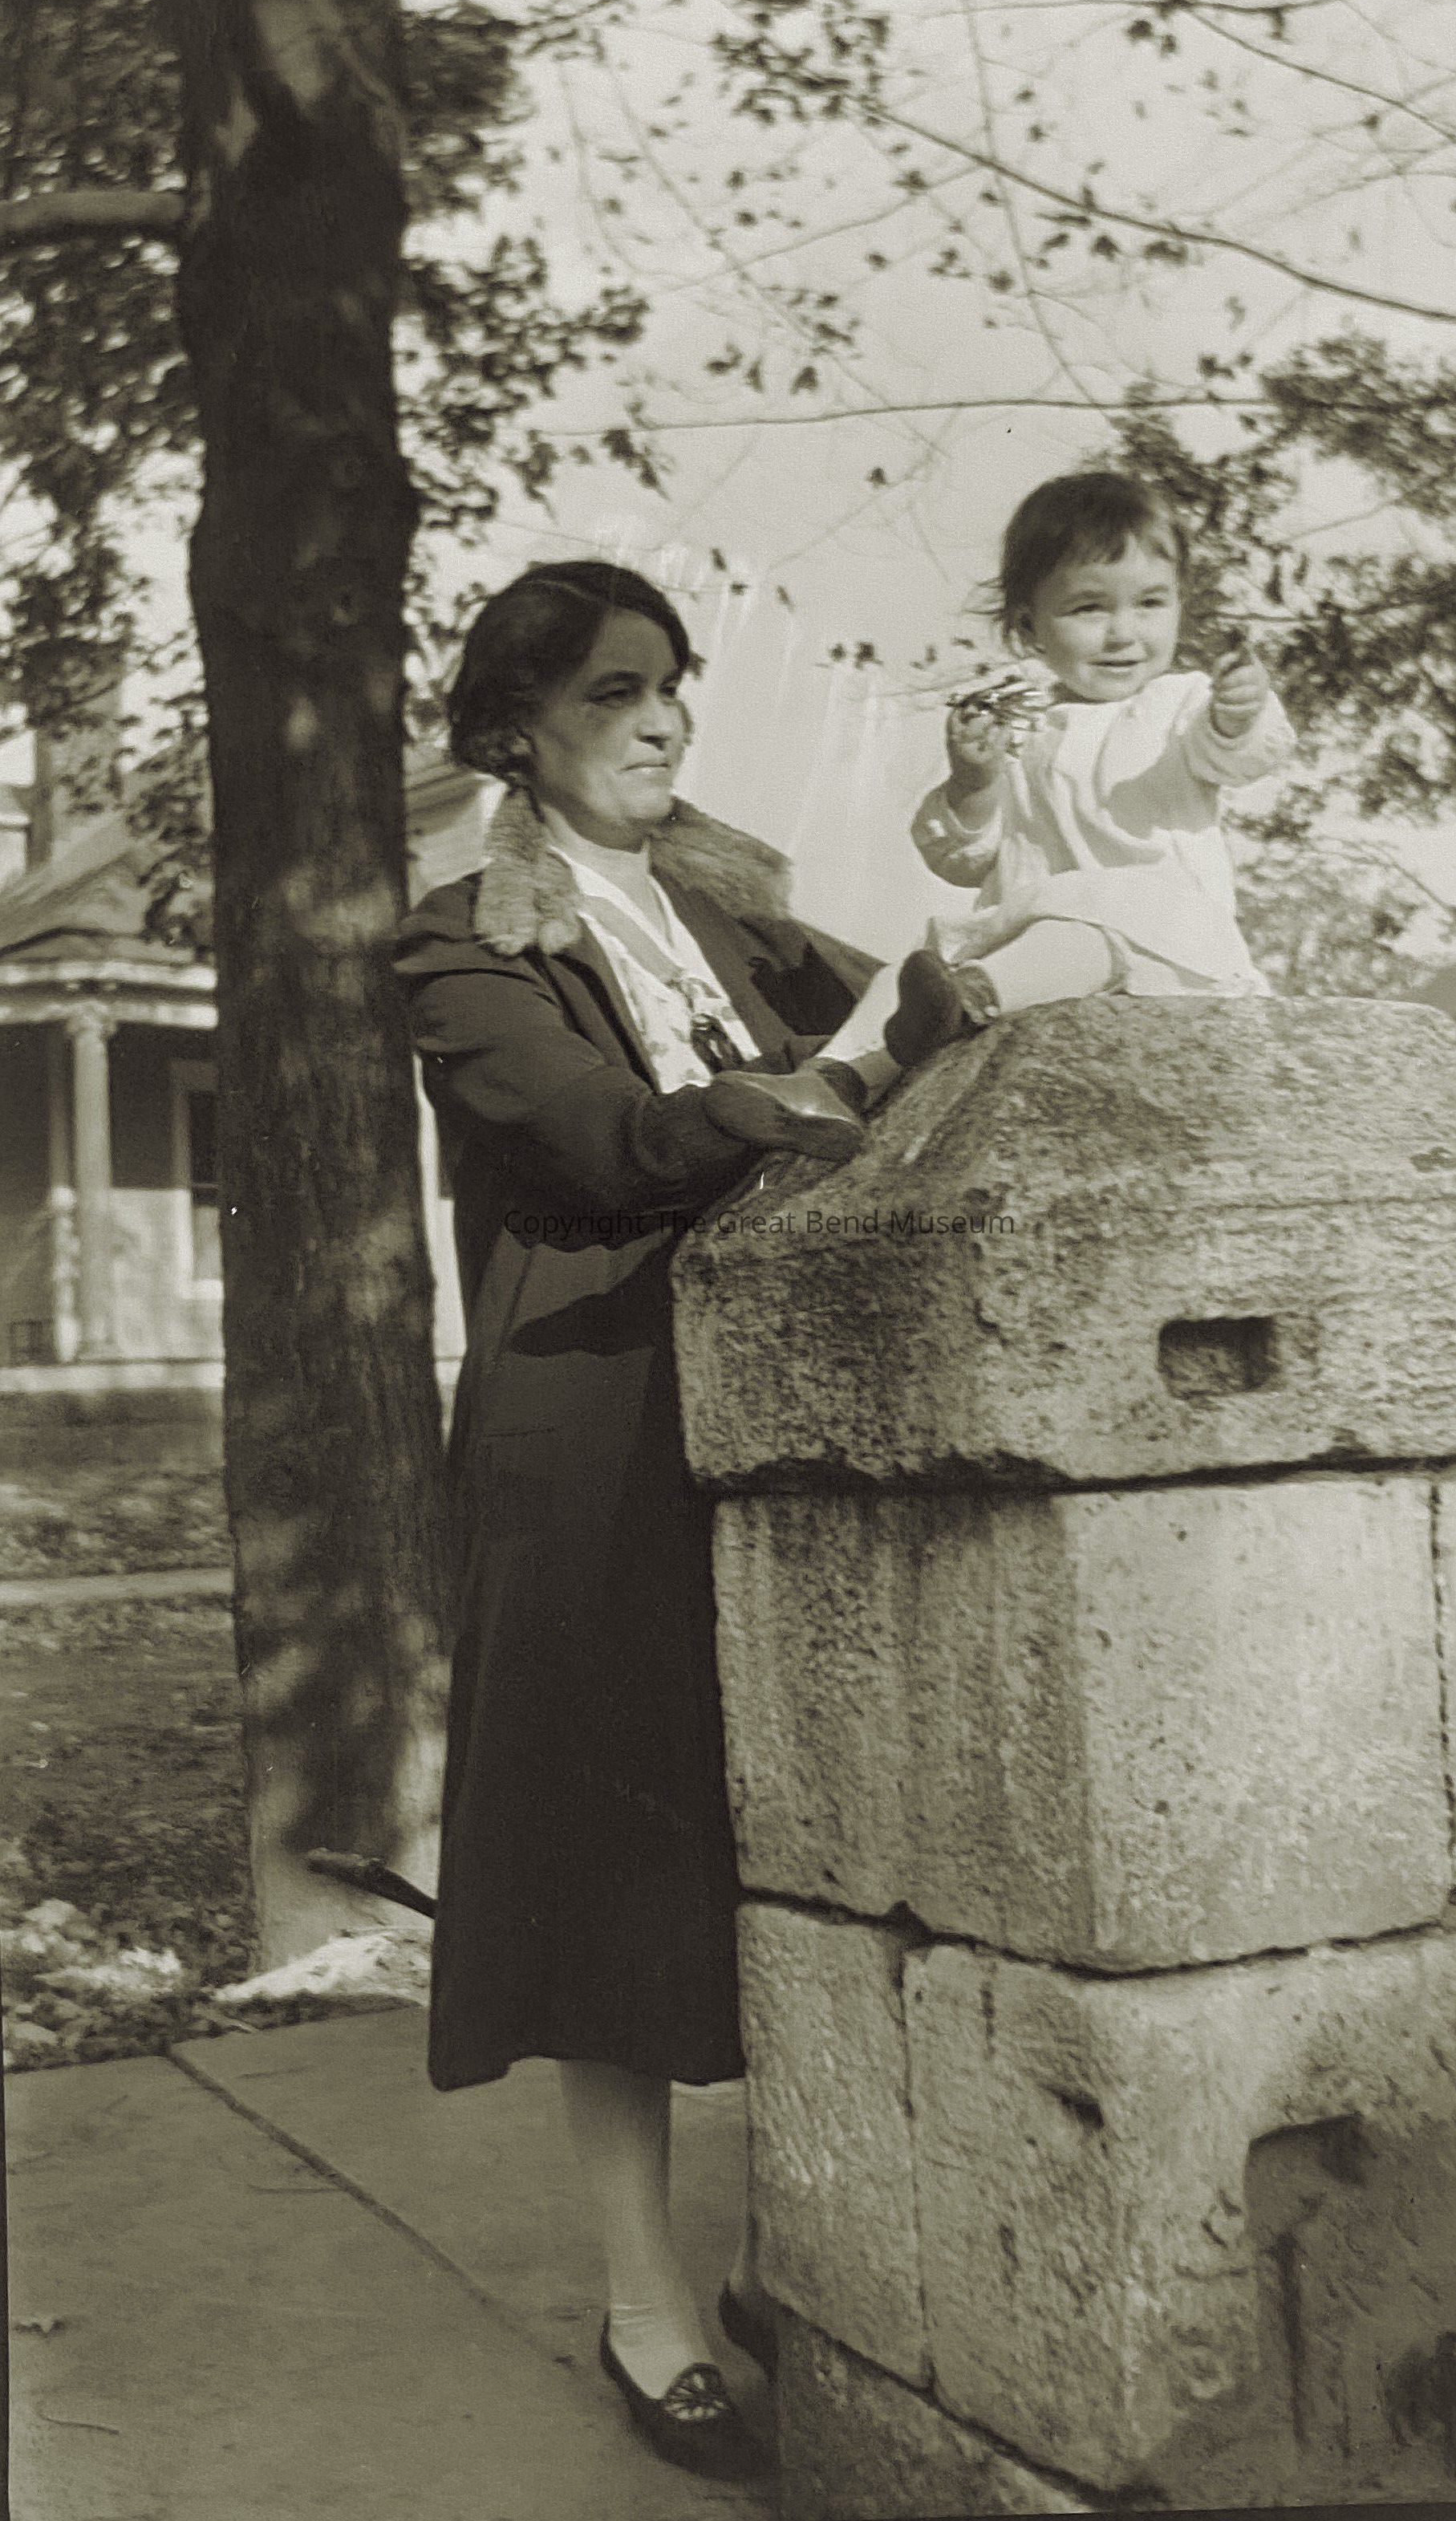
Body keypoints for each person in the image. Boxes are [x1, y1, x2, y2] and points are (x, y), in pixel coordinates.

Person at [392, 560, 894, 2482]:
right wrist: (779, 1105)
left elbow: (903, 1021)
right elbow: (597, 1143)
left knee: (794, 1851)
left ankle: (783, 2257)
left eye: (671, 681)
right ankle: (642, 2299)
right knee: (612, 1875)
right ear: (517, 730)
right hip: (595, 1434)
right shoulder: (463, 945)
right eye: (613, 690)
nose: (664, 713)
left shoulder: (731, 916)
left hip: (783, 1421)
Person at [878, 469, 1296, 1066]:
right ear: (1030, 627)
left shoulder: (1180, 704)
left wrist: (1236, 715)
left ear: (1179, 604)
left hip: (1161, 945)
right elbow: (965, 860)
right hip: (1030, 943)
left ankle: (969, 999)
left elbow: (1237, 754)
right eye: (1089, 608)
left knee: (1087, 929)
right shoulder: (1019, 726)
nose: (1123, 633)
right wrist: (974, 784)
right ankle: (830, 1079)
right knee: (905, 970)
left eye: (1150, 603)